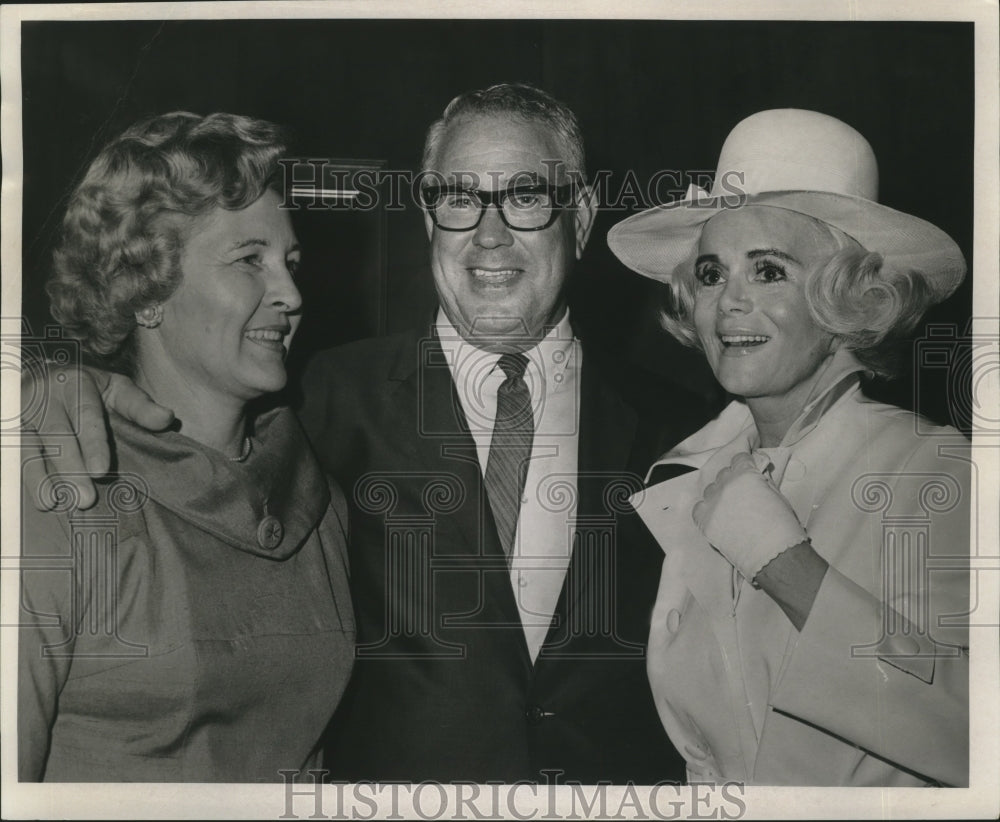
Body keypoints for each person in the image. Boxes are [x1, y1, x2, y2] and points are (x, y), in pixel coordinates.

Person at [21, 84, 705, 783]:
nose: (490, 234)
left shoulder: (696, 433)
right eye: (460, 197)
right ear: (427, 216)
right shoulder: (313, 400)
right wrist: (45, 382)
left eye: (526, 196)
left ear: (581, 217)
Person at [607, 108, 971, 786]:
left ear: (849, 296)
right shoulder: (690, 480)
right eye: (712, 274)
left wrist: (788, 567)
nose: (728, 303)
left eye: (768, 271)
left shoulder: (940, 468)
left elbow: (974, 734)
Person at [18, 112, 354, 782]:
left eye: (289, 263)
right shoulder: (59, 489)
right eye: (248, 260)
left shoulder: (319, 502)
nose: (290, 294)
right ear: (146, 287)